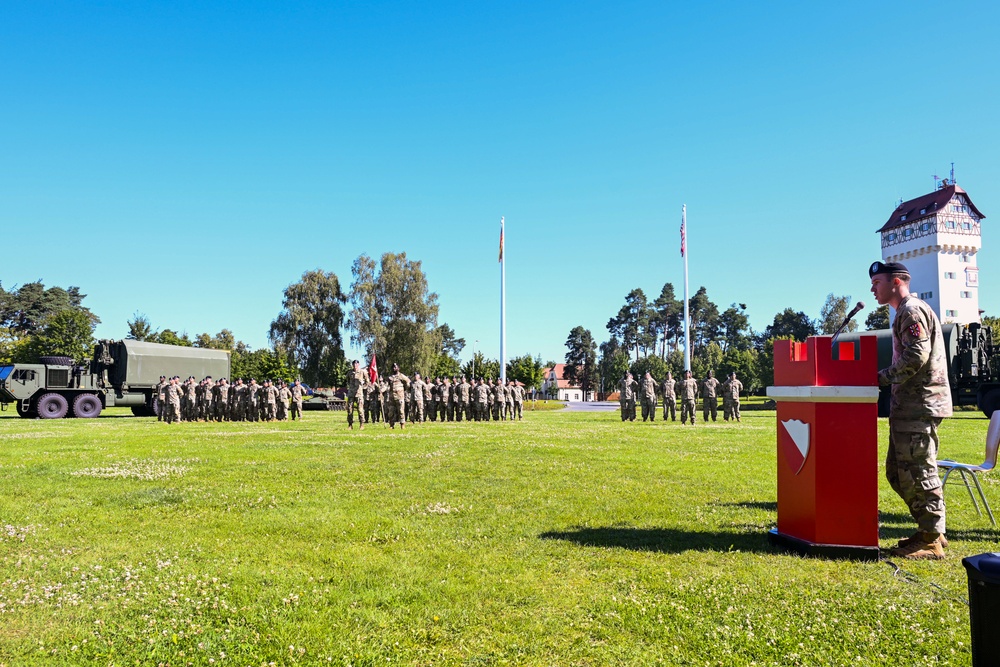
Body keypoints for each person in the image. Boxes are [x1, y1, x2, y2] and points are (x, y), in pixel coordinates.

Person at [870, 261, 952, 560]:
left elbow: (917, 355)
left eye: (877, 282)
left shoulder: (911, 311)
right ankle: (930, 530)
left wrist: (880, 377)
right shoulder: (904, 312)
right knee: (898, 472)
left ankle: (931, 538)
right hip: (909, 405)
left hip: (920, 404)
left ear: (897, 281)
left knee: (918, 470)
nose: (872, 288)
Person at [387, 364, 410, 429]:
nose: (394, 368)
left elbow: (408, 383)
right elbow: (387, 385)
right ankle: (391, 425)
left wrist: (403, 389)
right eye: (393, 367)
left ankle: (402, 424)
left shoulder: (401, 376)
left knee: (401, 411)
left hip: (400, 397)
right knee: (391, 412)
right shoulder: (390, 377)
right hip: (392, 397)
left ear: (398, 368)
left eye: (395, 367)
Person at [346, 360, 368, 430]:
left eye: (356, 364)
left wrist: (363, 388)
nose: (355, 365)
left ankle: (361, 424)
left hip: (359, 394)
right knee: (349, 410)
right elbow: (347, 381)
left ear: (359, 364)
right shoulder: (350, 372)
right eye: (354, 364)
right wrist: (350, 388)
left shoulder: (362, 372)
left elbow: (367, 381)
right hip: (351, 394)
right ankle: (350, 425)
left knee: (360, 410)